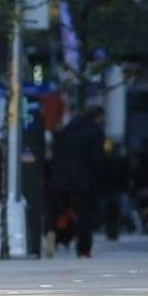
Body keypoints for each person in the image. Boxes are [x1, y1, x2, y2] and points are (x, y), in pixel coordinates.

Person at [46, 106, 105, 258]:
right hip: (84, 181)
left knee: (56, 211)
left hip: (60, 178)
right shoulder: (95, 133)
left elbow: (53, 157)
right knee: (84, 215)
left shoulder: (63, 132)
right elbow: (96, 160)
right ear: (98, 117)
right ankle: (83, 249)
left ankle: (51, 232)